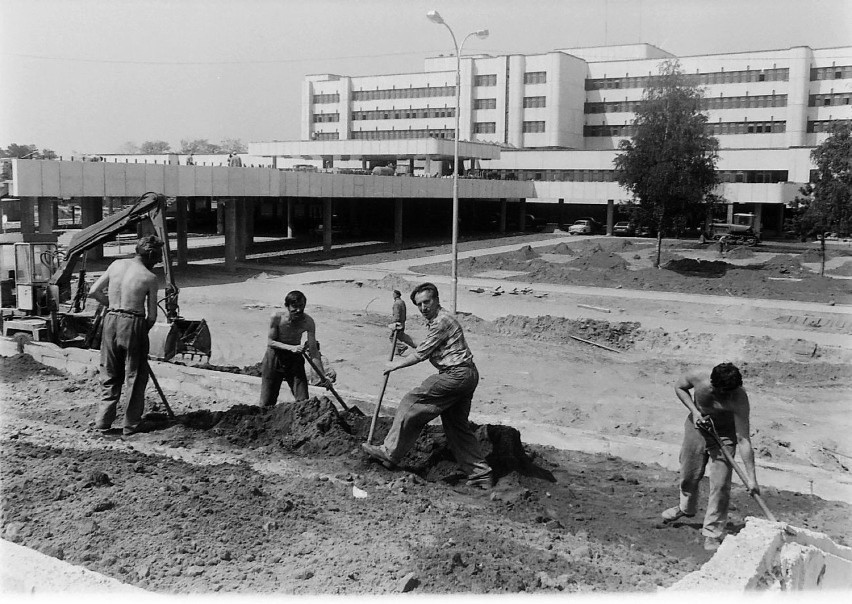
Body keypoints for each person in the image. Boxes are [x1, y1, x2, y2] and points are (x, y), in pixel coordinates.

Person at [362, 283, 494, 490]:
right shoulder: (438, 321)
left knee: (411, 401)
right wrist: (404, 337)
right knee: (456, 427)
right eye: (419, 305)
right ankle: (480, 475)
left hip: (455, 375)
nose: (423, 307)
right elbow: (428, 347)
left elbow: (421, 354)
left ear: (437, 300)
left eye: (426, 302)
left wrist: (394, 365)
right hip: (467, 375)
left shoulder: (442, 321)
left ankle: (389, 452)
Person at [661, 363, 760, 551]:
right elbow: (679, 387)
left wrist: (752, 478)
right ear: (713, 385)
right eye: (723, 392)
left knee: (721, 485)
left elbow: (743, 439)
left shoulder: (739, 398)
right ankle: (686, 508)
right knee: (688, 475)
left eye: (731, 392)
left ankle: (712, 532)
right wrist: (695, 411)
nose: (727, 396)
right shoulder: (698, 376)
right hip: (697, 428)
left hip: (724, 436)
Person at [88, 234, 163, 435]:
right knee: (135, 375)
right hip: (133, 322)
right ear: (150, 256)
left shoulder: (116, 265)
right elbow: (152, 317)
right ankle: (131, 424)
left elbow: (93, 291)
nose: (156, 263)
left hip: (110, 320)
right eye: (156, 259)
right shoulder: (150, 278)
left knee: (110, 373)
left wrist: (112, 307)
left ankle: (103, 422)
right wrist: (139, 333)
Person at [259, 290, 328, 407]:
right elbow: (271, 342)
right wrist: (291, 348)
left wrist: (323, 377)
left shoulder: (308, 322)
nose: (299, 310)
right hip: (274, 356)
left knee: (303, 401)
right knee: (267, 402)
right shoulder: (277, 317)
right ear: (287, 306)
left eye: (301, 306)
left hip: (294, 359)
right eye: (294, 307)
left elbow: (313, 352)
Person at [388, 289, 408, 357]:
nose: (392, 296)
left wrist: (394, 323)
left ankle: (402, 347)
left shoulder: (396, 303)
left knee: (392, 337)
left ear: (396, 295)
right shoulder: (402, 302)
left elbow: (396, 315)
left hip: (398, 323)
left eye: (393, 294)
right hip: (403, 322)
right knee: (398, 337)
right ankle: (398, 352)